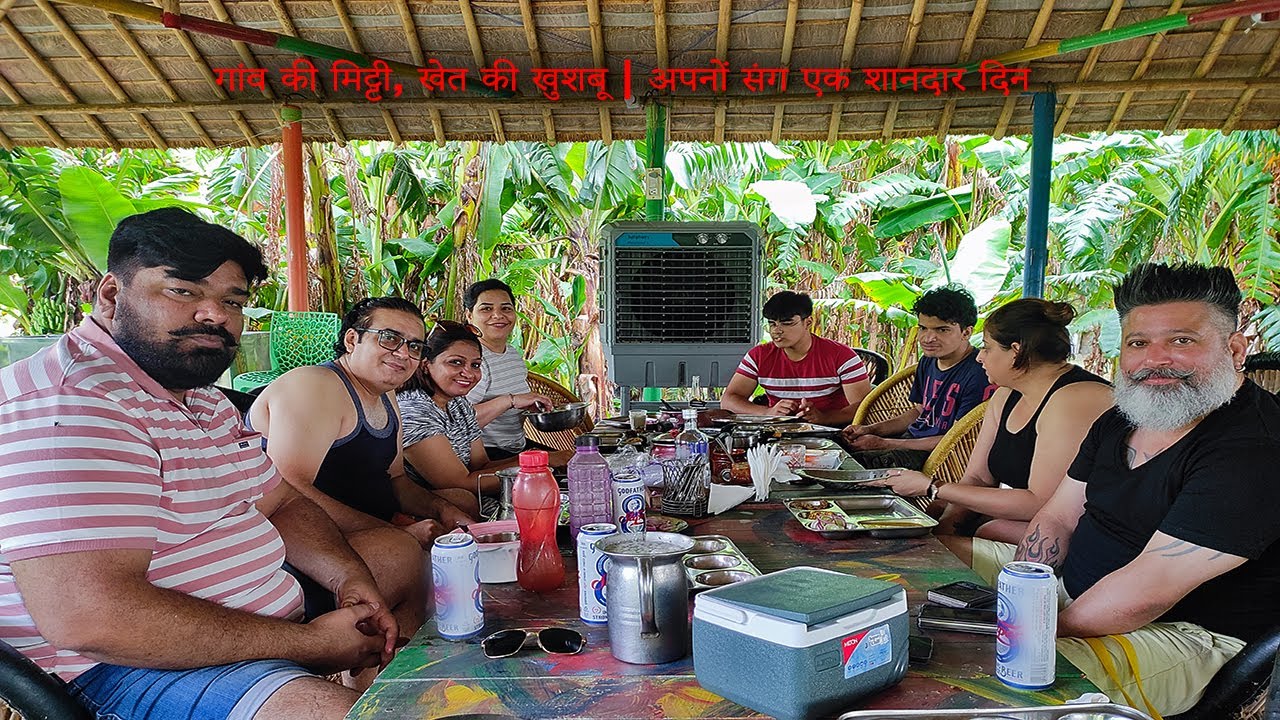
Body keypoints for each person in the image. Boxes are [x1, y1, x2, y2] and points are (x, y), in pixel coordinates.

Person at [0, 208, 397, 719]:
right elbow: (91, 620)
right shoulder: (72, 405)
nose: (215, 314)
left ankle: (371, 686)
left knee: (395, 559)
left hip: (258, 615)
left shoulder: (198, 395)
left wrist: (348, 578)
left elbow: (280, 503)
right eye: (183, 291)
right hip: (121, 668)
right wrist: (314, 645)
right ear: (111, 296)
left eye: (232, 301)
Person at [963, 263, 1280, 717]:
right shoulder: (1120, 419)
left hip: (1185, 635)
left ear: (1234, 349)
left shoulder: (1254, 448)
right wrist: (1030, 595)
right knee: (922, 569)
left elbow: (1150, 588)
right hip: (1071, 590)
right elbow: (1058, 515)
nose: (1155, 359)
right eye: (1138, 343)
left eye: (1181, 341)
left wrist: (1034, 629)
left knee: (999, 677)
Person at [869, 298, 1112, 544]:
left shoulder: (1074, 398)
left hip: (1087, 535)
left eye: (987, 348)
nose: (979, 358)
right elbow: (978, 478)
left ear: (1016, 351)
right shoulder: (1006, 395)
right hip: (1023, 522)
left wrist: (934, 487)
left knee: (990, 530)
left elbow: (1040, 503)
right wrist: (945, 529)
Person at [248, 296, 478, 556]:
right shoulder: (314, 386)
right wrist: (394, 533)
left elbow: (396, 480)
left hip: (368, 518)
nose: (403, 353)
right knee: (399, 552)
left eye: (415, 346)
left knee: (460, 502)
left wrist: (443, 511)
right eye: (389, 339)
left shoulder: (385, 394)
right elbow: (288, 489)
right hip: (299, 532)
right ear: (351, 340)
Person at [399, 321, 572, 502]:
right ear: (426, 364)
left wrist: (538, 458)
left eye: (475, 365)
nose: (468, 373)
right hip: (439, 511)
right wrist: (542, 463)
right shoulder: (415, 410)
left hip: (477, 499)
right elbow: (460, 484)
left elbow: (481, 465)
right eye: (455, 362)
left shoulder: (458, 403)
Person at [841, 285, 995, 470]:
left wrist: (885, 443)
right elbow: (918, 412)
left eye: (942, 330)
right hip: (908, 442)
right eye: (923, 328)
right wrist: (869, 430)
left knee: (850, 466)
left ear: (966, 332)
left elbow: (959, 440)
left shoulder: (979, 374)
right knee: (833, 450)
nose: (928, 338)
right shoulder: (928, 362)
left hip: (937, 456)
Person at [720, 290, 872, 426]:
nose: (777, 331)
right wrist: (768, 412)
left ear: (808, 323)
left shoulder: (842, 356)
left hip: (831, 433)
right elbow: (728, 400)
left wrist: (824, 417)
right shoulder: (758, 355)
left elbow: (865, 406)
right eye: (772, 324)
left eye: (787, 323)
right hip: (776, 432)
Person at [461, 279, 555, 459]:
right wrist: (510, 401)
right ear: (469, 315)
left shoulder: (511, 353)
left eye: (506, 308)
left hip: (516, 446)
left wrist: (532, 406)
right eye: (486, 309)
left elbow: (516, 402)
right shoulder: (473, 360)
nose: (497, 315)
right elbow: (459, 421)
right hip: (485, 455)